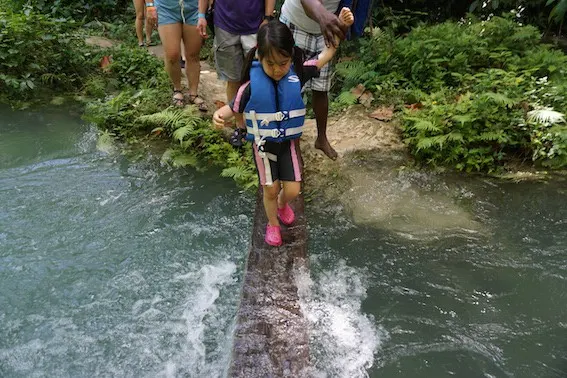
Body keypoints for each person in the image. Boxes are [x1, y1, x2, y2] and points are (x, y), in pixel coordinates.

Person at [212, 10, 354, 246]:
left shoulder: (297, 73)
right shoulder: (249, 86)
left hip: (287, 144)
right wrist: (218, 116)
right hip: (263, 147)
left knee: (292, 190)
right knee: (269, 189)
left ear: (291, 57)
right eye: (270, 64)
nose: (278, 69)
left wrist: (340, 26)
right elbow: (231, 108)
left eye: (283, 63)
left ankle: (281, 204)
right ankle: (273, 224)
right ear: (259, 57)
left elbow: (326, 54)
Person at [197, 0, 275, 147]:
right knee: (233, 78)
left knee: (261, 77)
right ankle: (240, 127)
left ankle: (264, 124)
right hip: (224, 24)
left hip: (256, 25)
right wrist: (201, 15)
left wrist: (268, 18)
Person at [280, 0, 347, 160]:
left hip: (326, 29)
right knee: (292, 91)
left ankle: (321, 138)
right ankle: (292, 145)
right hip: (295, 24)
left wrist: (343, 22)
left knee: (321, 88)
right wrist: (323, 15)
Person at [146, 0, 208, 110]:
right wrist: (150, 6)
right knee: (172, 54)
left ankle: (193, 94)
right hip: (166, 8)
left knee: (193, 54)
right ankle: (177, 89)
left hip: (193, 9)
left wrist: (202, 14)